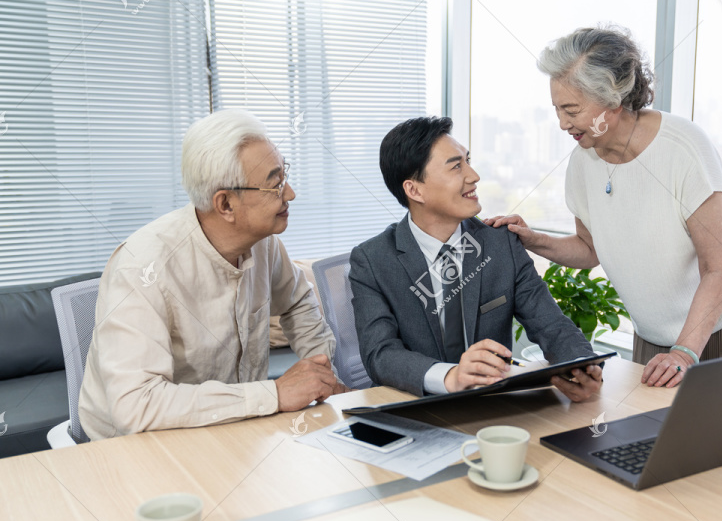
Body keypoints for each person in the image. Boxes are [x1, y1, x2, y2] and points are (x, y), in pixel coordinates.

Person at [485, 25, 722, 389]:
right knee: (651, 426)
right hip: (655, 324)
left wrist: (683, 352)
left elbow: (717, 268)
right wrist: (532, 239)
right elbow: (590, 250)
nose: (561, 123)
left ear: (613, 98)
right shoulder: (583, 162)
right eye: (557, 109)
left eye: (571, 109)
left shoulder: (682, 149)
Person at [79, 109, 347, 440]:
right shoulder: (143, 267)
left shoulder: (264, 245)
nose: (289, 193)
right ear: (225, 205)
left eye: (284, 177)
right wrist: (274, 394)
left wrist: (323, 373)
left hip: (234, 429)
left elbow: (296, 300)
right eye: (275, 184)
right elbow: (136, 407)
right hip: (136, 446)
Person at [349, 116, 602, 400]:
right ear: (414, 190)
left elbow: (551, 325)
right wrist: (449, 377)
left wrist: (581, 366)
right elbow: (380, 354)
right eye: (456, 166)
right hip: (413, 409)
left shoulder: (501, 243)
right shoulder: (371, 261)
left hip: (491, 407)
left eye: (467, 161)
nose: (474, 175)